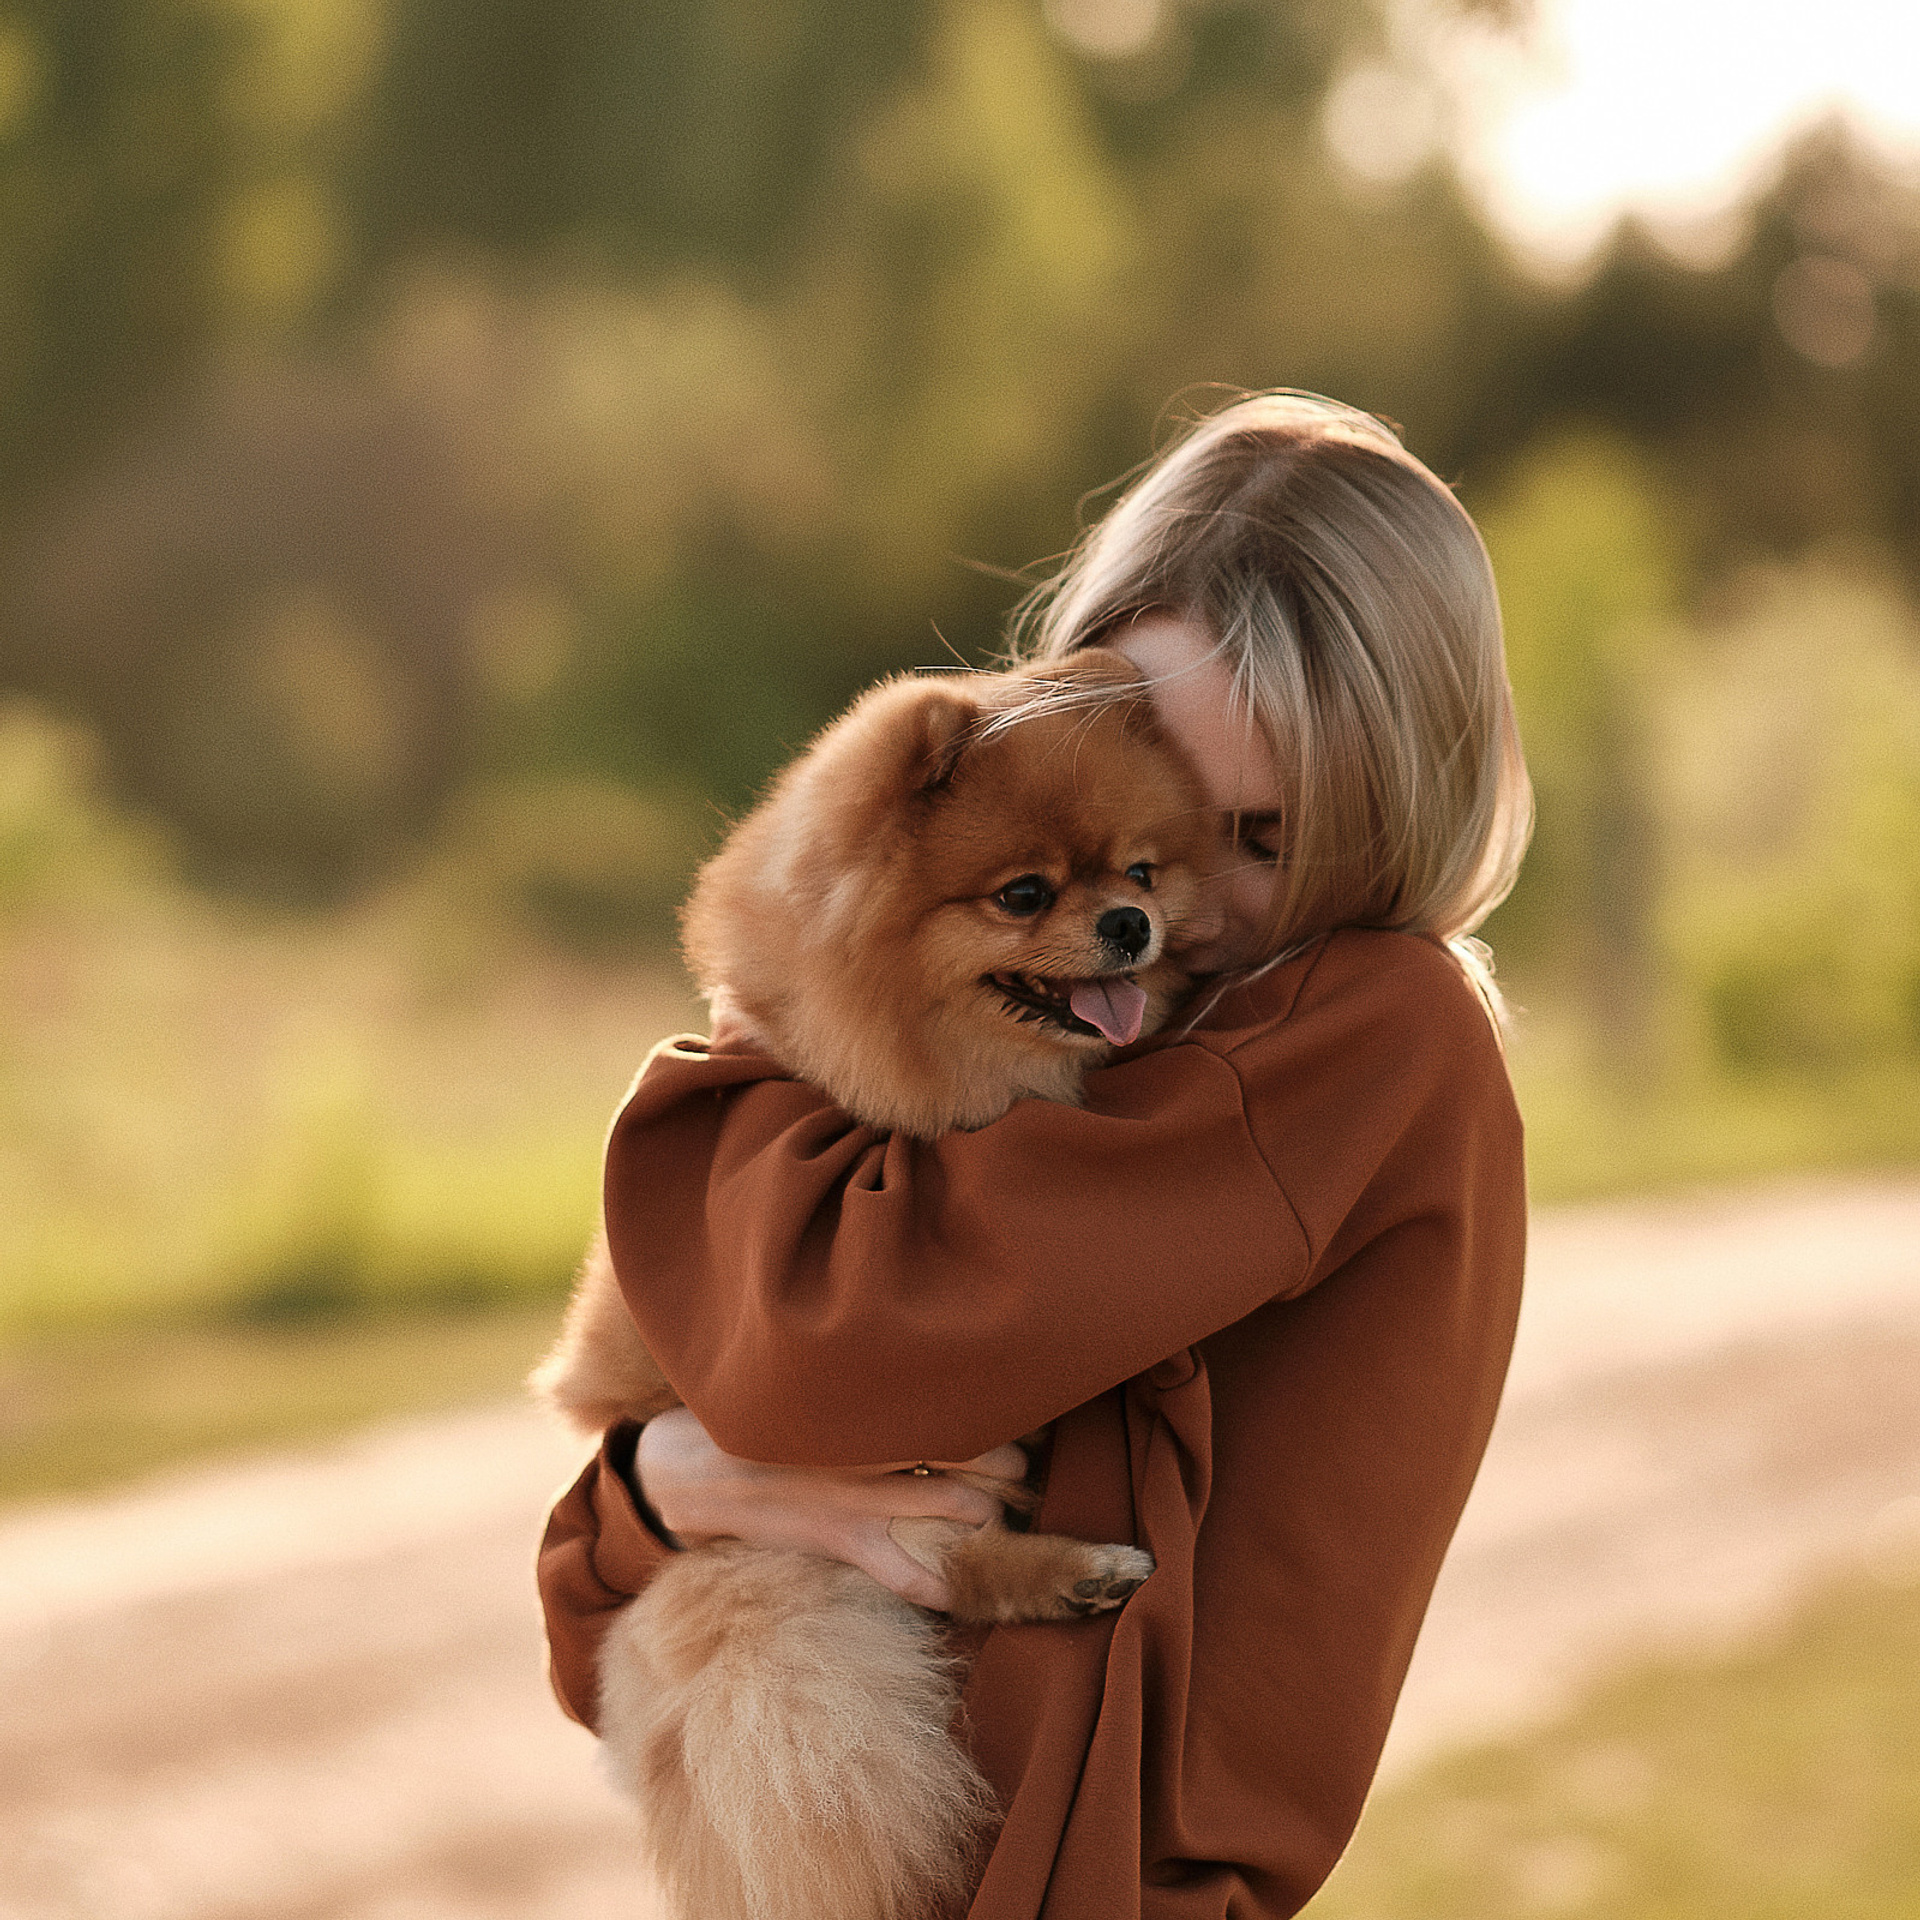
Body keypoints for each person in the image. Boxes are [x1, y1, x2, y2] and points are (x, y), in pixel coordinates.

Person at [537, 391, 1533, 1918]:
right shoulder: (1097, 1054)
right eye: (1150, 808)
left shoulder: (1370, 1035)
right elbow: (598, 1592)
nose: (1172, 903)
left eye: (1258, 840)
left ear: (1392, 807)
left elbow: (819, 1348)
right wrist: (665, 1494)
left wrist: (687, 1467)